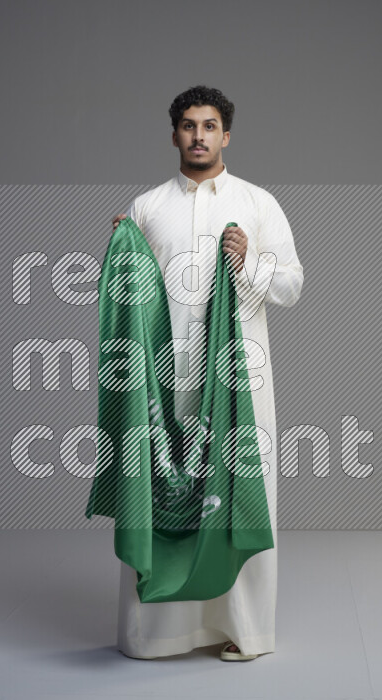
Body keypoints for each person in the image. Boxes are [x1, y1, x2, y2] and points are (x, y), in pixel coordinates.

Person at [110, 85, 304, 661]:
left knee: (239, 492)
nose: (199, 135)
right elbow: (129, 294)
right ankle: (156, 635)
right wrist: (123, 245)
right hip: (163, 378)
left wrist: (253, 263)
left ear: (226, 135)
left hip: (239, 377)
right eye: (189, 126)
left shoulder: (257, 203)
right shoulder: (146, 207)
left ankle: (245, 631)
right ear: (174, 135)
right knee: (156, 490)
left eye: (210, 125)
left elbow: (293, 285)